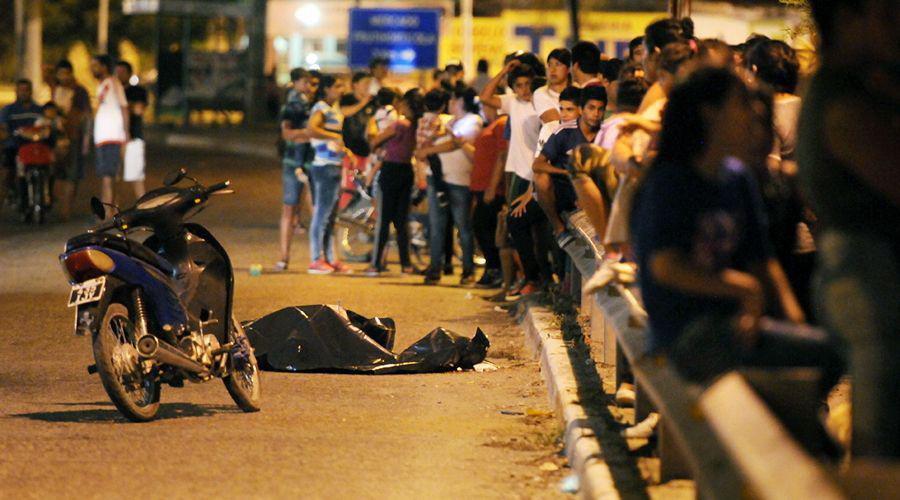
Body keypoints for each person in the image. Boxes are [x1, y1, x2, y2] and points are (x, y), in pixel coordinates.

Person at [631, 68, 844, 458]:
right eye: (740, 104)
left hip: (735, 328)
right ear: (710, 113)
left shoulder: (737, 178)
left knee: (827, 353)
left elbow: (763, 263)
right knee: (811, 393)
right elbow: (666, 266)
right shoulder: (670, 180)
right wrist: (742, 290)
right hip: (684, 335)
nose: (752, 115)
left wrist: (792, 322)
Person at [799, 0, 899, 458]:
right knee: (881, 438)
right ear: (847, 18)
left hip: (863, 270)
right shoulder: (841, 99)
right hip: (869, 274)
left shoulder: (855, 89)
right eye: (886, 16)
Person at [480, 60, 546, 296]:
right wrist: (504, 70)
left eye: (528, 84)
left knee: (529, 227)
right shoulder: (513, 104)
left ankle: (536, 278)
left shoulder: (542, 105)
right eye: (518, 85)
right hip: (517, 173)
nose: (524, 90)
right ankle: (528, 277)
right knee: (516, 226)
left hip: (534, 173)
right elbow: (485, 96)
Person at [417, 86, 483, 285]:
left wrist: (429, 150)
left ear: (461, 101)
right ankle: (435, 269)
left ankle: (467, 271)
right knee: (436, 226)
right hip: (436, 180)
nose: (450, 103)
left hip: (459, 181)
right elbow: (427, 142)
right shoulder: (446, 120)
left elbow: (455, 143)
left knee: (463, 227)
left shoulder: (473, 121)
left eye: (454, 100)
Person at [533, 86, 607, 247]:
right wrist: (568, 172)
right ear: (582, 109)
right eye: (591, 108)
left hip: (592, 191)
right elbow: (537, 165)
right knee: (541, 179)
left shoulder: (605, 133)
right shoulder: (564, 131)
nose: (596, 114)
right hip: (564, 191)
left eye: (600, 109)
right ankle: (558, 228)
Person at [364, 90, 423, 276]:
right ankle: (405, 264)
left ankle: (375, 265)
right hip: (406, 172)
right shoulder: (416, 127)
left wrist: (374, 128)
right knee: (401, 221)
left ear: (407, 106)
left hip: (390, 171)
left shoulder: (399, 125)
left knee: (383, 221)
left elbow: (374, 142)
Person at [307, 75, 351, 275]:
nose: (341, 89)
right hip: (324, 167)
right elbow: (312, 129)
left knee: (331, 216)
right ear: (326, 89)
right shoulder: (321, 108)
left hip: (333, 165)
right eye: (337, 86)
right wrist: (335, 137)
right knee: (322, 215)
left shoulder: (334, 109)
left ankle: (330, 258)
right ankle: (316, 259)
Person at [462, 105, 508, 288]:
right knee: (482, 227)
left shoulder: (502, 123)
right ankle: (492, 267)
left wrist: (492, 186)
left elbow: (502, 155)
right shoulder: (493, 124)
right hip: (481, 185)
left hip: (492, 188)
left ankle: (495, 268)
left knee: (483, 227)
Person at [275, 68, 315, 271]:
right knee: (289, 208)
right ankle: (284, 257)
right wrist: (310, 133)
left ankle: (318, 256)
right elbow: (286, 134)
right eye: (306, 82)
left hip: (311, 161)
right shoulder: (292, 105)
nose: (309, 87)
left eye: (311, 83)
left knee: (315, 209)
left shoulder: (312, 105)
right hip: (294, 162)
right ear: (296, 83)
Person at [51, 60, 92, 221]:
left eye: (65, 73)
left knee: (72, 174)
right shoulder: (55, 89)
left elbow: (84, 115)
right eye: (59, 73)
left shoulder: (80, 91)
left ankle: (65, 211)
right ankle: (57, 205)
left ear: (70, 73)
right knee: (56, 172)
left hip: (73, 137)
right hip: (56, 137)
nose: (62, 77)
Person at [89, 54, 129, 218]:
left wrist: (125, 132)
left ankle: (108, 212)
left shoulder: (113, 83)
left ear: (104, 66)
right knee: (107, 175)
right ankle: (110, 210)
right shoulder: (103, 85)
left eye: (95, 65)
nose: (92, 69)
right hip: (103, 138)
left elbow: (124, 107)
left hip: (112, 136)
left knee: (109, 175)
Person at [0, 79, 42, 210]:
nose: (24, 93)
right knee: (8, 171)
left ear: (31, 92)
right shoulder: (9, 110)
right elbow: (3, 128)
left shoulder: (38, 109)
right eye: (21, 90)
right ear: (16, 92)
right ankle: (10, 192)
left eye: (26, 90)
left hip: (33, 146)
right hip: (14, 146)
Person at [115, 61, 148, 200]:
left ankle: (144, 208)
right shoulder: (113, 91)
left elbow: (139, 109)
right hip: (115, 137)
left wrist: (123, 107)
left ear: (129, 74)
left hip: (134, 137)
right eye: (117, 72)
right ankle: (113, 211)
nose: (119, 75)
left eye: (122, 72)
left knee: (136, 176)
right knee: (114, 177)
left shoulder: (138, 91)